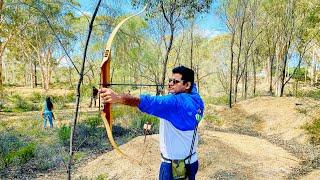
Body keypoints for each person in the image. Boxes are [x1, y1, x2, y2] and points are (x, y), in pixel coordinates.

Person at [99, 66, 204, 180]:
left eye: (175, 81)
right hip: (192, 161)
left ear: (187, 85)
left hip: (174, 167)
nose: (170, 84)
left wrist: (118, 98)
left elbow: (148, 102)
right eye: (169, 80)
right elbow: (184, 92)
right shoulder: (197, 100)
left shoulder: (174, 103)